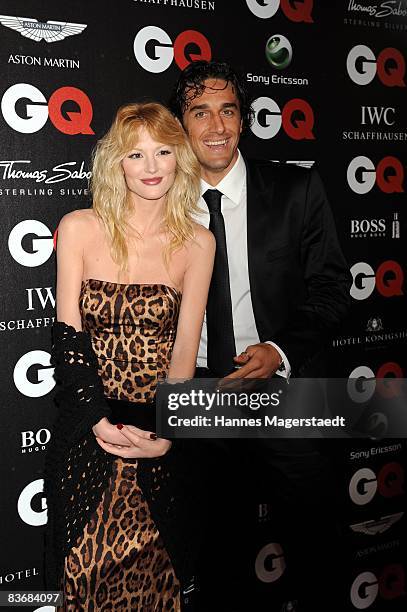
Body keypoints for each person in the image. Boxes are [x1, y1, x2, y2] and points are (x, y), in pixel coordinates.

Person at [169, 60, 351, 612]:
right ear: (181, 125)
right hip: (202, 395)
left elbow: (331, 289)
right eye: (200, 112)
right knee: (215, 556)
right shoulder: (161, 203)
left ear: (244, 121)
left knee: (317, 550)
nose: (217, 126)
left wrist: (281, 350)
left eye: (228, 111)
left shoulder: (297, 188)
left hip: (290, 394)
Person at [43, 101, 215, 611]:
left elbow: (185, 353)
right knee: (82, 576)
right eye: (137, 154)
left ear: (179, 158)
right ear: (117, 162)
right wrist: (95, 419)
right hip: (86, 434)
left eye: (164, 151)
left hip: (157, 442)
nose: (153, 166)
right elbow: (68, 339)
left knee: (157, 581)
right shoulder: (79, 227)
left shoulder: (198, 243)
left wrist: (169, 435)